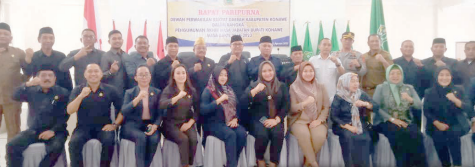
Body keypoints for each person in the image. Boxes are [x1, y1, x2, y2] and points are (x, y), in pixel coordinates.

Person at [7, 65, 70, 167]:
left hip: (55, 131)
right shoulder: (31, 91)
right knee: (12, 145)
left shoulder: (63, 93)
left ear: (54, 79)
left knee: (56, 147)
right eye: (43, 75)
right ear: (38, 78)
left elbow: (64, 116)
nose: (47, 78)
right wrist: (27, 84)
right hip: (34, 130)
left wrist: (52, 131)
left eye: (50, 76)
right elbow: (14, 96)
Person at [67, 64, 122, 167]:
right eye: (90, 71)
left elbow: (122, 110)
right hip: (82, 128)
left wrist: (115, 125)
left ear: (101, 74)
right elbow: (70, 110)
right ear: (85, 74)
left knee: (109, 142)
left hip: (104, 127)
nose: (93, 74)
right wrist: (81, 96)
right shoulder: (78, 90)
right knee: (73, 143)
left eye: (96, 71)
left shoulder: (111, 90)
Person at [372, 64, 426, 167]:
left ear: (402, 75)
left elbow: (419, 106)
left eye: (398, 73)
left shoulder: (408, 88)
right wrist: (392, 119)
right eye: (392, 73)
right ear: (387, 75)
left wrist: (410, 99)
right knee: (399, 135)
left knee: (417, 135)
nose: (395, 76)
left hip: (405, 120)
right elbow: (376, 107)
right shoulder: (381, 87)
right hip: (386, 121)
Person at [242, 61, 289, 167]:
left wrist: (277, 119)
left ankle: (273, 163)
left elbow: (286, 105)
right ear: (260, 73)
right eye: (264, 71)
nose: (267, 73)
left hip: (276, 118)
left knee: (277, 134)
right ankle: (260, 160)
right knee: (262, 134)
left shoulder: (282, 86)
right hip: (259, 118)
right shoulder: (253, 85)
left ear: (274, 71)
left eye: (270, 70)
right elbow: (243, 102)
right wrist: (254, 91)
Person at [423, 67, 472, 167]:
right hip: (436, 123)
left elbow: (469, 108)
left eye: (447, 75)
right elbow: (427, 111)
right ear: (436, 77)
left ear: (451, 76)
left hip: (456, 122)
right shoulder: (429, 92)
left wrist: (455, 100)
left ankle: (457, 164)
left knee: (452, 134)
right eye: (441, 75)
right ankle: (446, 164)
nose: (444, 78)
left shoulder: (458, 90)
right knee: (438, 136)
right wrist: (437, 123)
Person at [200, 66, 247, 167]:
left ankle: (232, 162)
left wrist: (235, 118)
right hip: (213, 123)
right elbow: (203, 110)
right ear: (215, 75)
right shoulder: (209, 90)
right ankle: (232, 164)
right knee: (231, 135)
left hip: (229, 122)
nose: (223, 77)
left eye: (225, 75)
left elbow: (237, 107)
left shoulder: (229, 89)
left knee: (242, 133)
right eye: (221, 75)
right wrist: (218, 101)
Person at [331, 72, 377, 167]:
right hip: (343, 125)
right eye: (352, 81)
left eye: (357, 81)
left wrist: (365, 104)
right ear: (345, 82)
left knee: (366, 138)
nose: (356, 84)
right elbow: (334, 116)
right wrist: (349, 127)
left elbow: (376, 106)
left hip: (359, 124)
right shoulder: (339, 96)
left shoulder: (361, 94)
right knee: (349, 137)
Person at [288, 62, 329, 167]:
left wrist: (319, 120)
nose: (308, 73)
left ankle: (307, 164)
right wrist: (304, 103)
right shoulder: (293, 87)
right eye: (305, 71)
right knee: (304, 135)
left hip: (316, 119)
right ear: (300, 72)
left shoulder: (321, 86)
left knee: (319, 137)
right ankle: (314, 163)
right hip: (299, 120)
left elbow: (326, 106)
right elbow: (292, 108)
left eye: (311, 71)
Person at [121, 65, 162, 167]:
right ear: (135, 78)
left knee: (154, 139)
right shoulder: (130, 92)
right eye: (141, 75)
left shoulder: (157, 92)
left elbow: (160, 113)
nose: (144, 77)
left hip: (150, 124)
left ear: (150, 76)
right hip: (132, 125)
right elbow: (124, 111)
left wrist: (155, 126)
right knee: (141, 137)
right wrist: (138, 98)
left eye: (146, 75)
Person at [159, 64, 200, 167]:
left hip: (185, 122)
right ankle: (184, 165)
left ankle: (190, 164)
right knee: (183, 139)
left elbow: (197, 110)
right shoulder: (169, 89)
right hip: (170, 124)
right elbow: (162, 104)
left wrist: (190, 123)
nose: (181, 75)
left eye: (183, 73)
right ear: (173, 76)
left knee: (194, 139)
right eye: (178, 73)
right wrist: (177, 97)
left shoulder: (191, 90)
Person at [0, 22, 30, 141]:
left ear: (11, 38)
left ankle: (12, 159)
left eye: (5, 34)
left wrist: (19, 84)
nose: (2, 36)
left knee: (14, 132)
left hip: (12, 99)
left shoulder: (18, 53)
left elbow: (28, 71)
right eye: (0, 33)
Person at [218, 35, 250, 129]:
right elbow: (218, 73)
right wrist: (229, 63)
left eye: (239, 44)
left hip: (243, 94)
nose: (237, 46)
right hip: (228, 94)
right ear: (230, 46)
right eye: (234, 44)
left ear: (243, 46)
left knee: (243, 121)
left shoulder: (245, 59)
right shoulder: (224, 57)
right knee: (230, 121)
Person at [25, 27, 73, 91]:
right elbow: (28, 75)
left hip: (60, 93)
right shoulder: (34, 56)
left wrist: (70, 94)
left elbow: (67, 77)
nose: (48, 40)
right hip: (39, 93)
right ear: (39, 39)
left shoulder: (61, 56)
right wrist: (28, 59)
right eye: (45, 38)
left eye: (51, 38)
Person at [393, 40, 425, 128]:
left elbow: (424, 81)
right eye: (406, 46)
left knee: (416, 124)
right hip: (399, 98)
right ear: (401, 49)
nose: (408, 48)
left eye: (410, 47)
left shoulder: (419, 63)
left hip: (415, 97)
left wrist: (422, 67)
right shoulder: (394, 62)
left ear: (414, 49)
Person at [101, 30, 129, 95]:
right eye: (114, 39)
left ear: (122, 40)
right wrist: (111, 71)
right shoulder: (106, 56)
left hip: (127, 92)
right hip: (112, 93)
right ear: (109, 41)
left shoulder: (126, 55)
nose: (117, 41)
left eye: (119, 38)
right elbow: (101, 77)